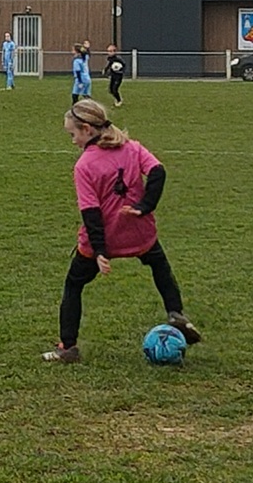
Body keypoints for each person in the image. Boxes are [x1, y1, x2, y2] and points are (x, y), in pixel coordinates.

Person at [42, 98, 201, 363]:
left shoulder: (84, 165)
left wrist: (100, 251)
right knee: (160, 266)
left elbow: (91, 213)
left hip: (104, 237)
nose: (72, 141)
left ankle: (67, 347)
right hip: (139, 233)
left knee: (74, 284)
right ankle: (175, 313)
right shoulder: (132, 148)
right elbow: (158, 172)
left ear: (87, 130)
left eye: (72, 134)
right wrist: (144, 206)